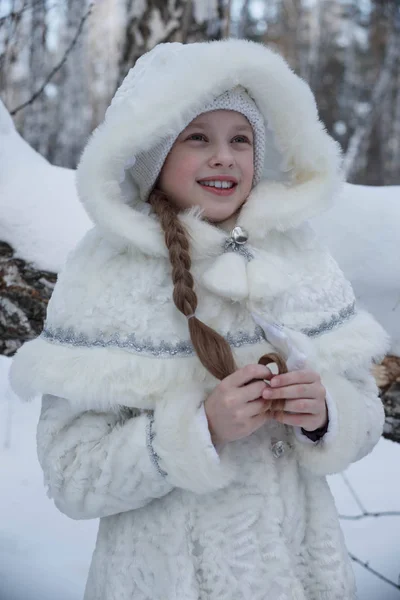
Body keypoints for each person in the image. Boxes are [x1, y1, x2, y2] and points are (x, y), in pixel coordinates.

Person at [10, 39, 389, 600]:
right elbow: (72, 476)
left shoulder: (300, 256)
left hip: (304, 572)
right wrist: (198, 431)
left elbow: (365, 416)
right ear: (150, 152)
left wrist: (326, 413)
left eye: (241, 138)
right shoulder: (106, 273)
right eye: (197, 138)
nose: (224, 157)